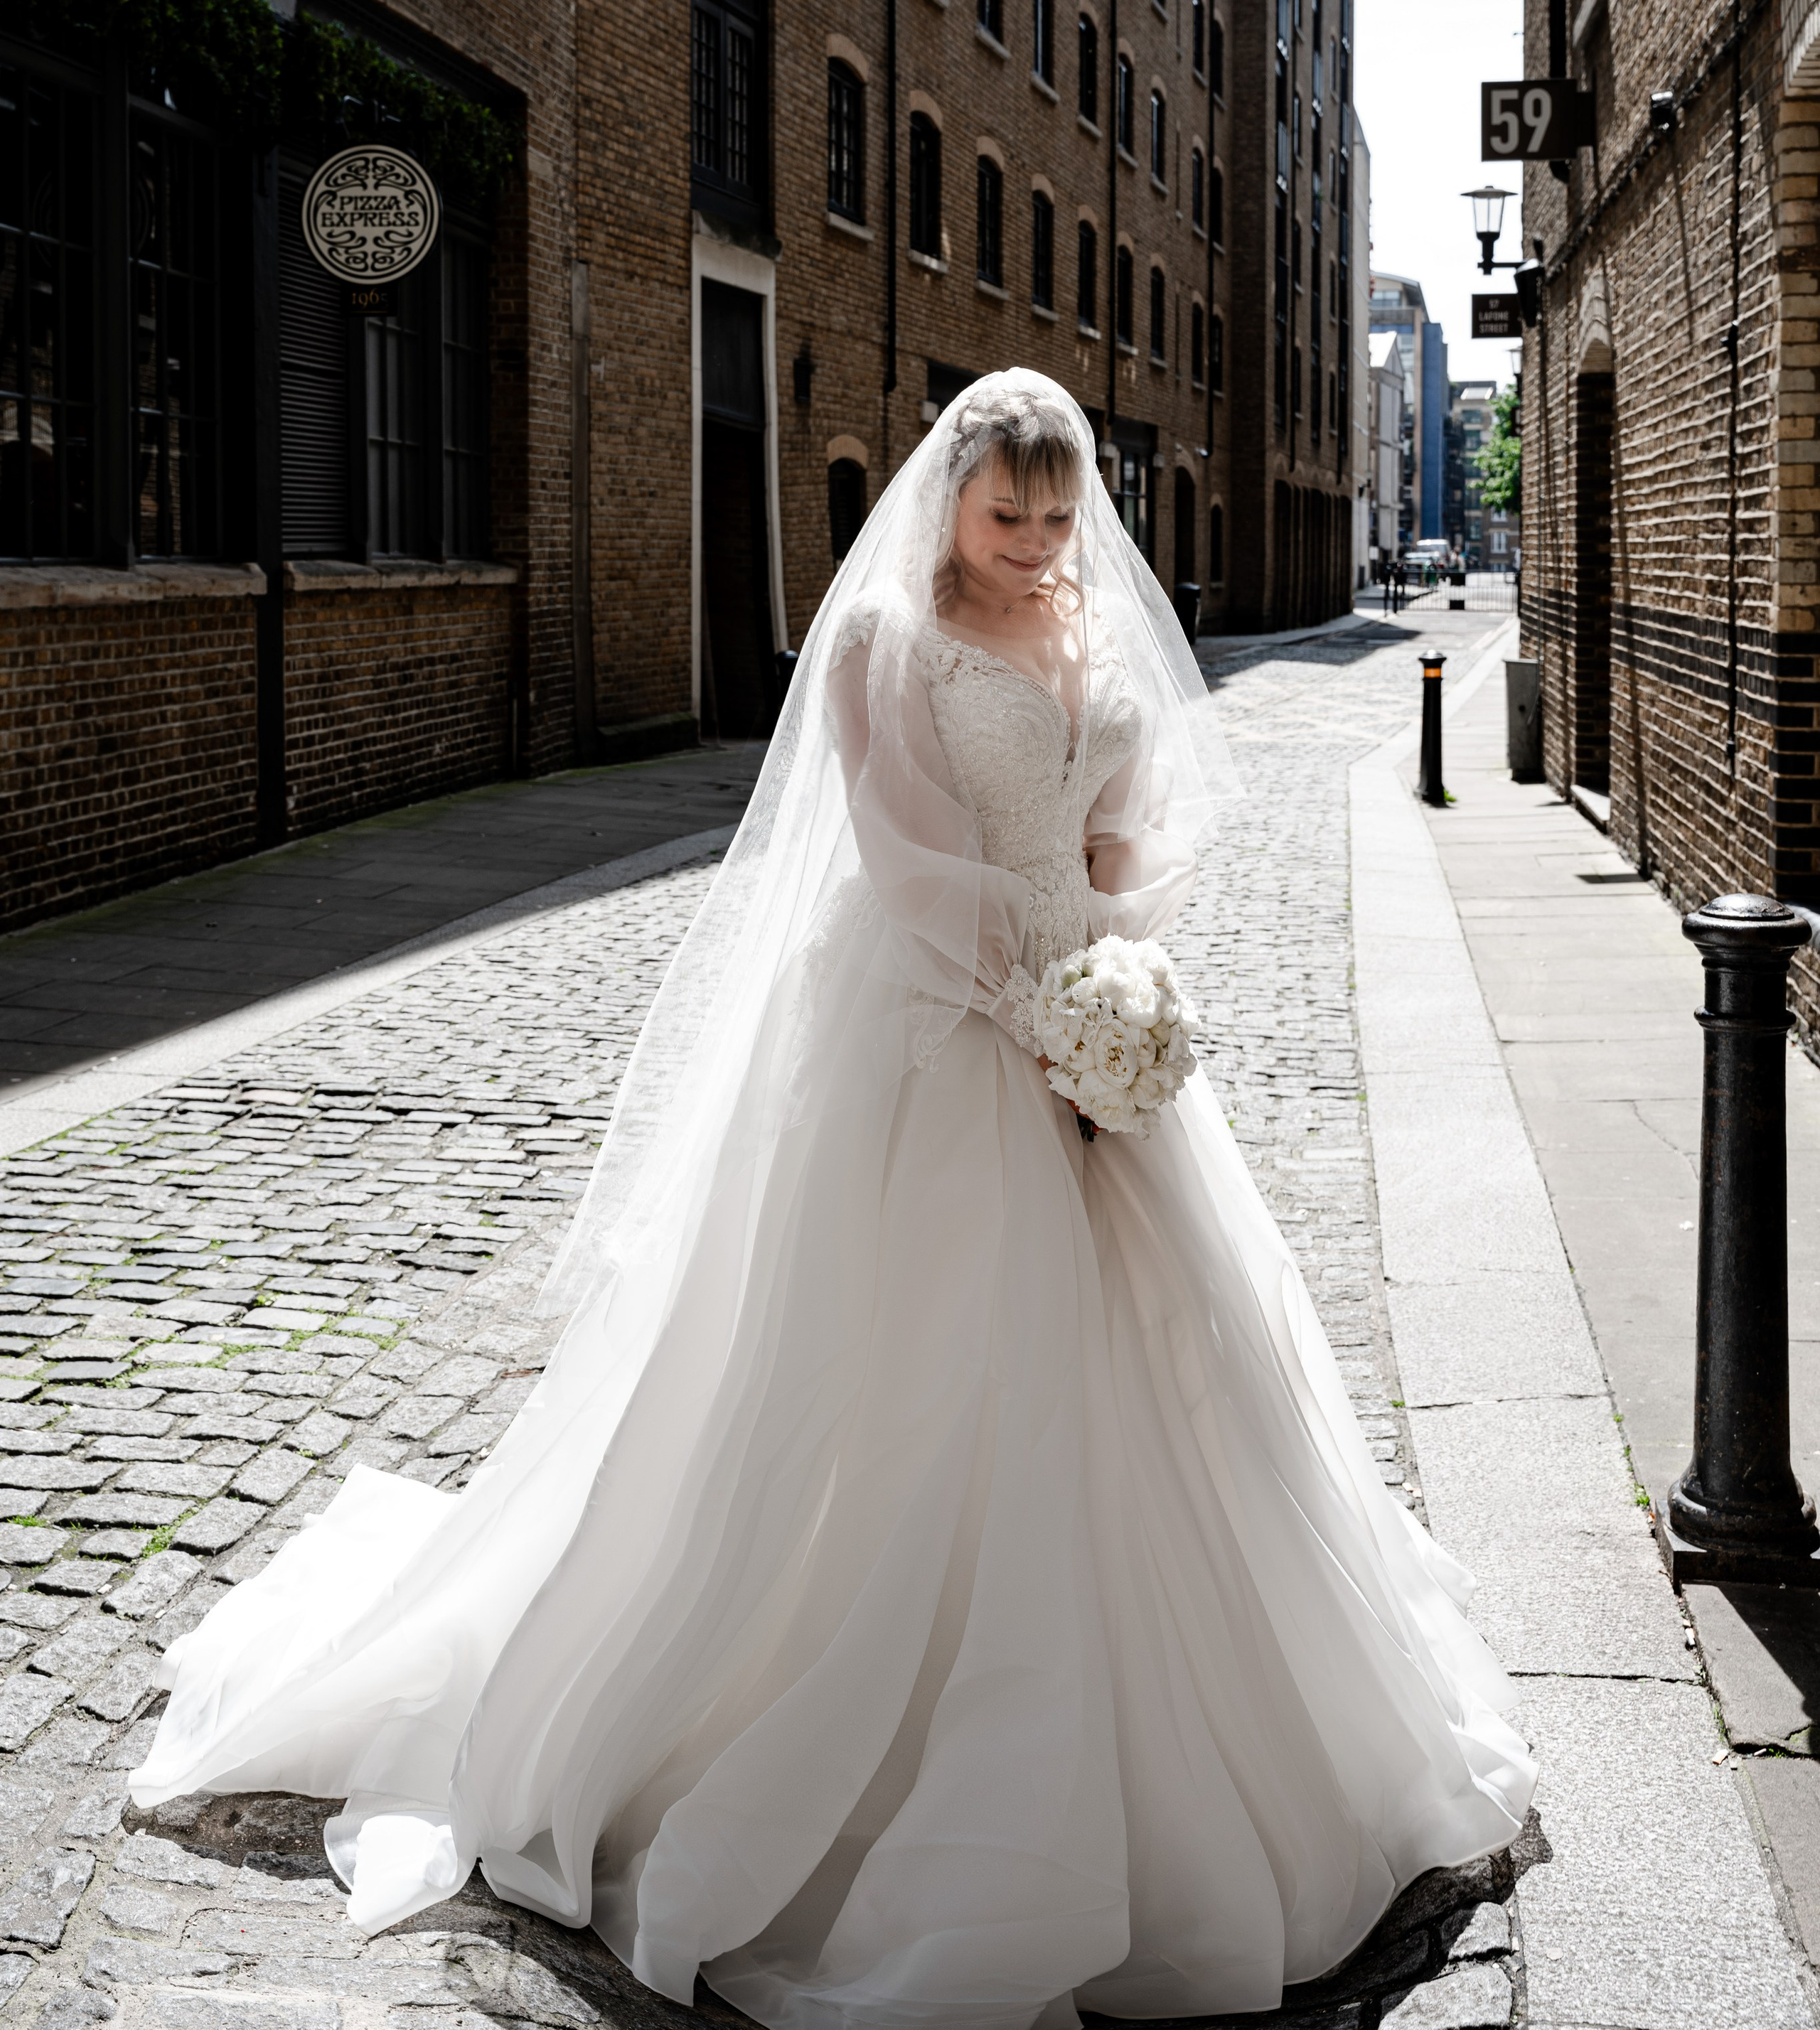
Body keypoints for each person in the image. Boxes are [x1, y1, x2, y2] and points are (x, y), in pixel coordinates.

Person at [131, 371, 1533, 2028]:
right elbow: (906, 858)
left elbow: (1127, 821)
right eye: (1006, 515)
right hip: (933, 1032)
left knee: (1163, 1368)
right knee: (923, 1370)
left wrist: (1113, 967)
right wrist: (1037, 1010)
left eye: (1057, 518)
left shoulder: (1084, 621)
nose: (1034, 545)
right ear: (949, 498)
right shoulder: (883, 643)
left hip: (1084, 1017)